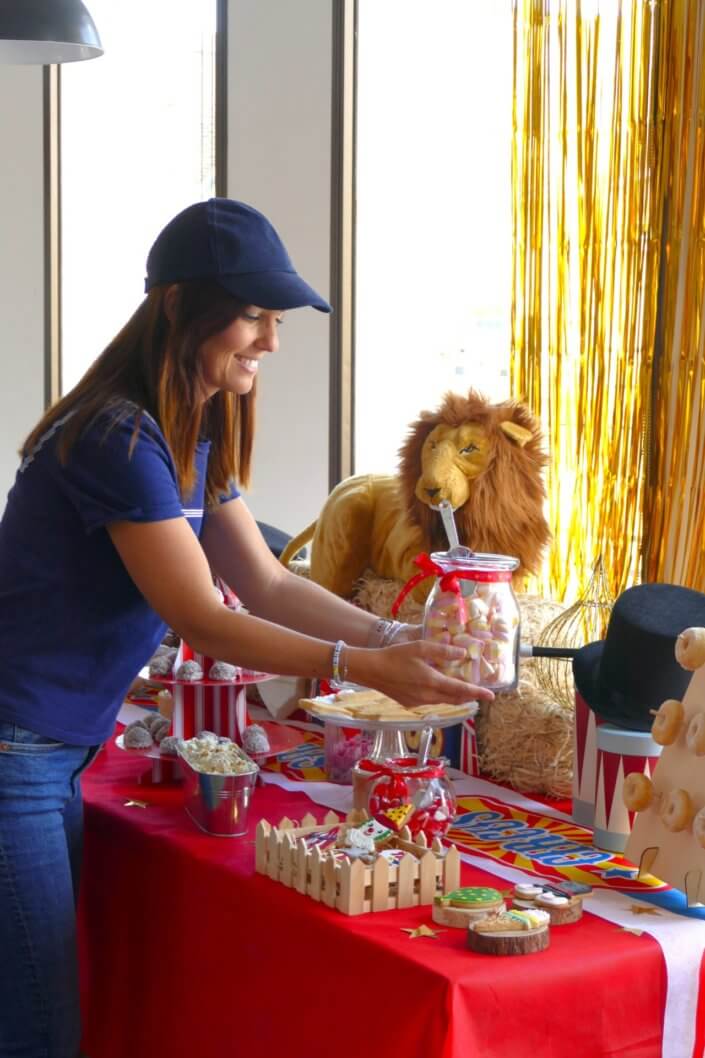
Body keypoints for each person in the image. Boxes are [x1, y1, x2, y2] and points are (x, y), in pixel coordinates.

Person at [0, 197, 492, 1057]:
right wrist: (366, 667)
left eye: (276, 318)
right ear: (181, 307)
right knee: (39, 1027)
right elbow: (203, 618)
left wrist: (392, 641)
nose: (271, 340)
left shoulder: (193, 426)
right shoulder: (117, 435)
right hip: (16, 751)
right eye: (255, 316)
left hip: (53, 749)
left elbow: (261, 580)